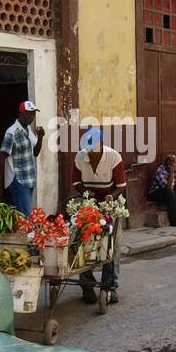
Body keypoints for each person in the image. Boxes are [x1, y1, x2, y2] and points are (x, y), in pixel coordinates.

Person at [73, 126, 125, 304]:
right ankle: (87, 286)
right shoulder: (80, 157)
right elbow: (76, 182)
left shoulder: (113, 157)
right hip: (89, 202)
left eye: (94, 152)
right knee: (84, 242)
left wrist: (111, 197)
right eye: (89, 152)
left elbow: (121, 185)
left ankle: (110, 286)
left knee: (111, 245)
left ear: (102, 144)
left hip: (111, 201)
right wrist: (86, 193)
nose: (91, 156)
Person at [0, 100, 44, 216]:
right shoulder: (12, 133)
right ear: (21, 113)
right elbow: (1, 157)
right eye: (28, 113)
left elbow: (35, 153)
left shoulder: (28, 131)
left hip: (29, 180)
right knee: (26, 217)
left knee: (23, 218)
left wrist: (40, 137)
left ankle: (22, 234)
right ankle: (26, 234)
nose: (31, 117)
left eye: (33, 114)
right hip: (18, 180)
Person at [147, 153, 176, 227]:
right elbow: (167, 186)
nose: (174, 164)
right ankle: (175, 220)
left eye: (175, 162)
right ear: (167, 163)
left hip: (169, 191)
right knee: (170, 191)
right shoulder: (161, 170)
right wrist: (171, 173)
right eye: (171, 162)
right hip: (156, 193)